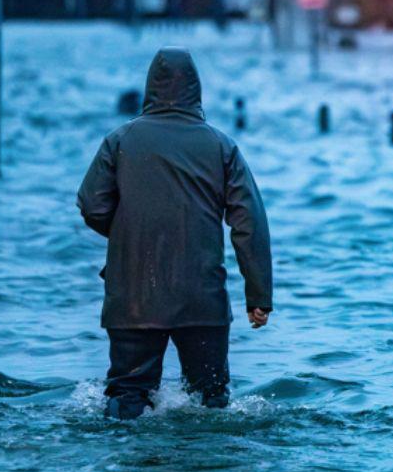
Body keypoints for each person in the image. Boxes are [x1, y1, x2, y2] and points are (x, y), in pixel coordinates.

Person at [78, 47, 273, 420]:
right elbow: (250, 223)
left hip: (132, 297)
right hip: (202, 297)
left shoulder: (119, 141)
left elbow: (91, 205)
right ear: (196, 91)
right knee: (210, 400)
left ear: (150, 89)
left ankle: (129, 471)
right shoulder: (221, 146)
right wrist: (258, 295)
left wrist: (130, 235)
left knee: (127, 398)